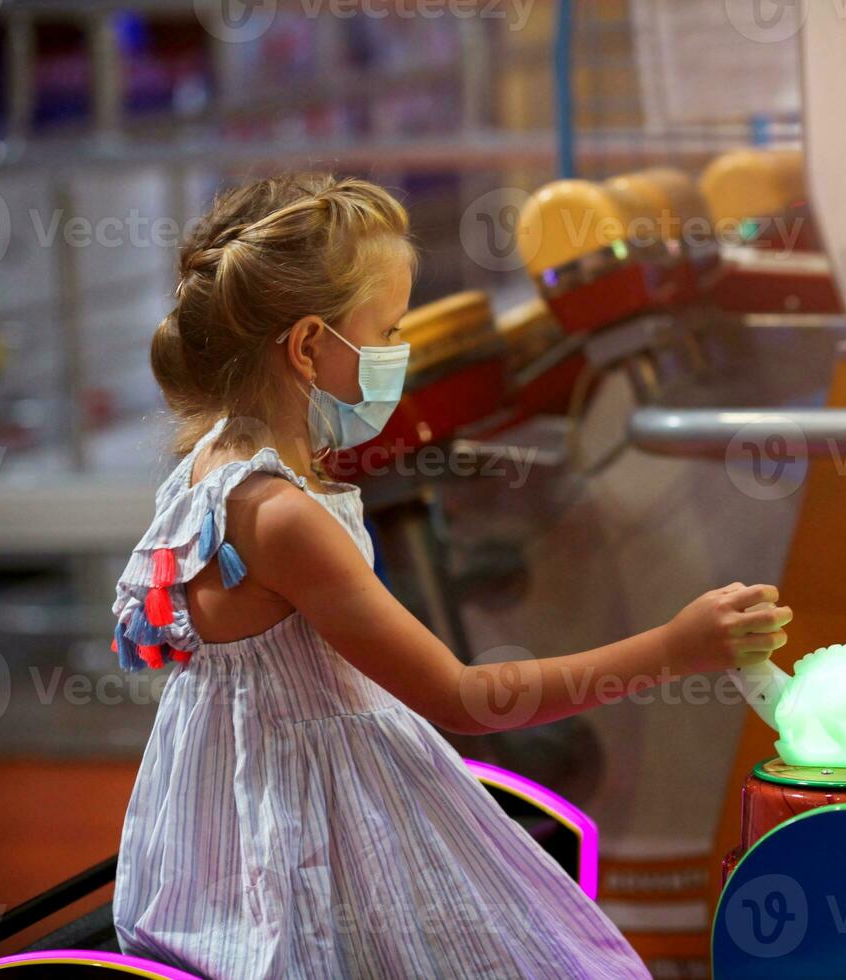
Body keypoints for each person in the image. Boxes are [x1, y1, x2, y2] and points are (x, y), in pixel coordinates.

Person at [111, 172, 792, 979]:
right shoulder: (285, 518)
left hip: (215, 828)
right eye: (387, 330)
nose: (398, 352)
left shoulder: (208, 464)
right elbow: (464, 699)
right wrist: (675, 650)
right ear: (307, 347)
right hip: (307, 847)